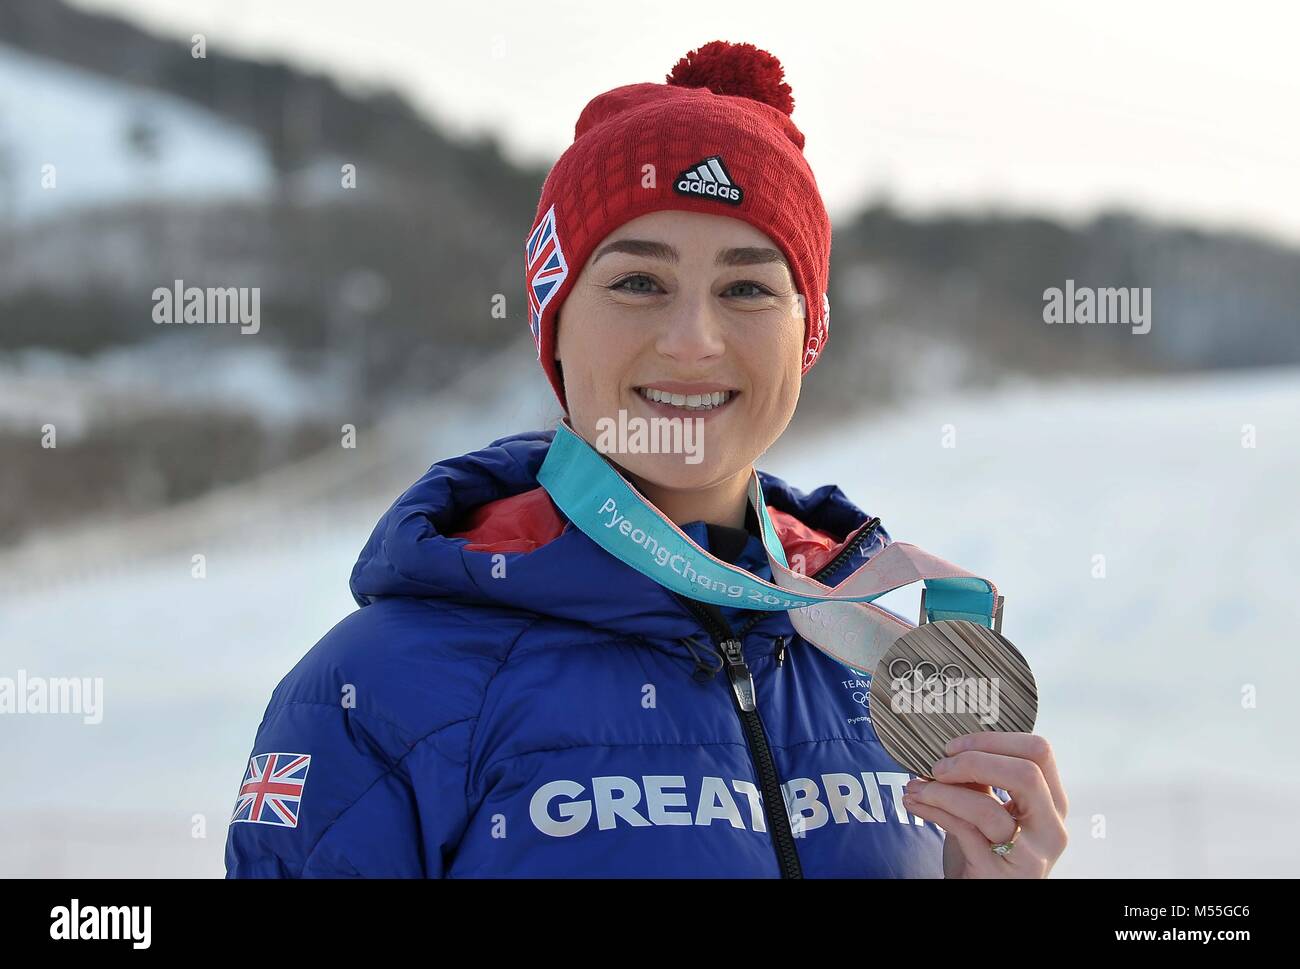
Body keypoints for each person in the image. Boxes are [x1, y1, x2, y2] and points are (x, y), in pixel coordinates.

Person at [224, 40, 1068, 878]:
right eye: (637, 283)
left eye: (747, 288)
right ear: (556, 324)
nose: (693, 342)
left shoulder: (876, 661)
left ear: (806, 334)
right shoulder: (374, 689)